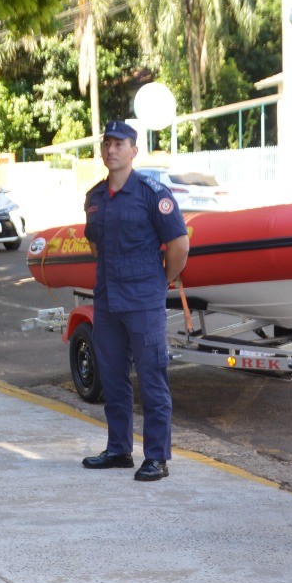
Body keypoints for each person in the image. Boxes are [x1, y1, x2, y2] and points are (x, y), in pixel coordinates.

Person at [78, 120, 189, 482]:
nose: (111, 150)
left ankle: (157, 457)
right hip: (108, 301)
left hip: (143, 301)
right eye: (107, 143)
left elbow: (178, 246)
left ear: (134, 150)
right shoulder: (94, 197)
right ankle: (118, 449)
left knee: (152, 378)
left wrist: (161, 282)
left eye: (119, 144)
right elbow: (95, 244)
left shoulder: (152, 193)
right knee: (112, 378)